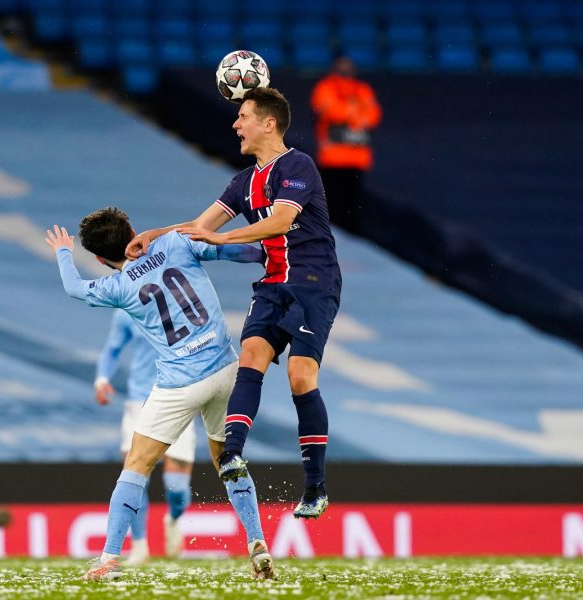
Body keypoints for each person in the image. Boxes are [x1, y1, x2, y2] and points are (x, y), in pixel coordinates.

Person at [126, 87, 341, 520]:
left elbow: (282, 219)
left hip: (313, 281)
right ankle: (232, 455)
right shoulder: (243, 181)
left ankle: (315, 486)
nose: (235, 124)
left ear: (268, 123)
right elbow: (200, 226)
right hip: (272, 283)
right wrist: (156, 233)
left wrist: (222, 238)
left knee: (300, 376)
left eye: (243, 116)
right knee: (250, 355)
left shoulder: (298, 165)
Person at [44, 209, 275, 582]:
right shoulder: (176, 242)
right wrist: (271, 252)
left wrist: (63, 251)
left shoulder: (117, 287)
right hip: (226, 371)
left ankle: (109, 558)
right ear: (135, 232)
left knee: (137, 464)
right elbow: (239, 252)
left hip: (180, 385)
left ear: (102, 259)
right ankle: (257, 541)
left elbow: (74, 287)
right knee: (227, 460)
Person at [95, 309, 197, 563]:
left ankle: (173, 518)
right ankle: (139, 545)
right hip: (139, 401)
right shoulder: (126, 309)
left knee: (177, 488)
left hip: (178, 399)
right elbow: (112, 348)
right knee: (135, 475)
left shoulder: (183, 303)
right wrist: (101, 378)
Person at [310, 55, 382, 231]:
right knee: (331, 200)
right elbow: (330, 111)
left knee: (353, 203)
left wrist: (351, 114)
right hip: (333, 157)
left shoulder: (362, 89)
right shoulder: (325, 87)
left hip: (357, 157)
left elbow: (373, 115)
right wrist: (355, 113)